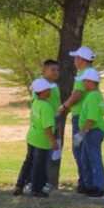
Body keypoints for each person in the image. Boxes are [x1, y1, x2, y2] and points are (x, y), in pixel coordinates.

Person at [58, 46, 95, 192]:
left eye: (76, 58)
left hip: (80, 116)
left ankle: (85, 183)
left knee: (79, 150)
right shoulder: (89, 72)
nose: (74, 61)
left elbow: (77, 94)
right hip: (84, 115)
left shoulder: (84, 74)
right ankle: (86, 182)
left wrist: (64, 106)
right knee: (83, 150)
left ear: (81, 59)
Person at [15, 78, 59, 198]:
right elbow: (47, 127)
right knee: (38, 166)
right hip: (41, 141)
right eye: (48, 89)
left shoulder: (35, 102)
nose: (50, 90)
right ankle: (36, 189)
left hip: (32, 137)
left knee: (28, 162)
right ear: (44, 91)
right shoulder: (46, 107)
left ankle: (19, 186)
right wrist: (53, 140)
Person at [75, 68, 104, 198]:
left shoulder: (93, 96)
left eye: (84, 81)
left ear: (91, 81)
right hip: (92, 131)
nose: (83, 83)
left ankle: (99, 189)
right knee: (86, 159)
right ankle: (89, 186)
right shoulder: (97, 94)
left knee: (94, 160)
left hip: (93, 132)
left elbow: (92, 118)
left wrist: (82, 133)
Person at [31, 59, 63, 192]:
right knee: (38, 156)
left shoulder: (55, 87)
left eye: (57, 70)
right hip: (44, 124)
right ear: (44, 71)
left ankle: (48, 182)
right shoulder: (40, 86)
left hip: (54, 121)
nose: (55, 72)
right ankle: (33, 182)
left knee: (53, 153)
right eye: (52, 70)